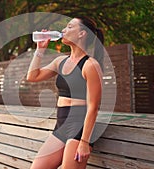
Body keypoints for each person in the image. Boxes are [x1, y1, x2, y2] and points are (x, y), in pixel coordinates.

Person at [26, 16, 104, 169]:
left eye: (69, 27)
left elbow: (93, 107)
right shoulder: (60, 61)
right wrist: (40, 50)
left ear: (82, 33)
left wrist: (84, 142)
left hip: (79, 126)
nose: (63, 30)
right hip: (61, 124)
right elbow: (32, 76)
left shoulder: (90, 65)